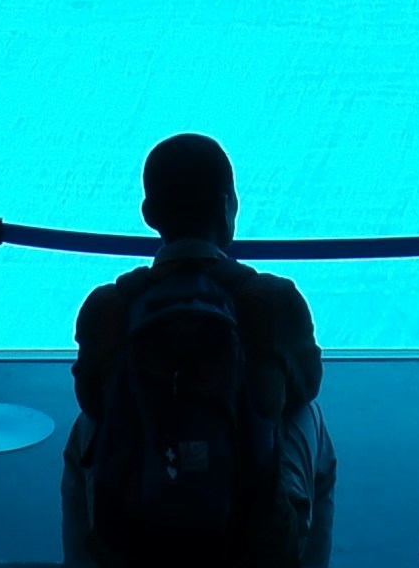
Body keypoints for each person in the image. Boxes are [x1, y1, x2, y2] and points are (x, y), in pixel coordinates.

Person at [66, 132, 335, 568]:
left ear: (149, 213)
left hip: (137, 537)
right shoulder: (272, 301)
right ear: (230, 206)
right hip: (246, 540)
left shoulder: (109, 308)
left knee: (86, 428)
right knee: (309, 416)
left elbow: (91, 399)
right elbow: (308, 384)